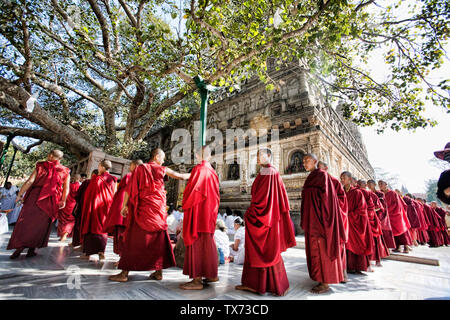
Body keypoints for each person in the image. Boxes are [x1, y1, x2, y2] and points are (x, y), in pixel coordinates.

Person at [109, 148, 190, 282]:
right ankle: (158, 272)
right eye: (163, 158)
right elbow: (181, 176)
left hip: (142, 210)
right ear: (157, 156)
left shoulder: (140, 169)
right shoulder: (161, 169)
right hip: (156, 210)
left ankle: (124, 273)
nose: (164, 161)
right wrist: (194, 173)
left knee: (133, 240)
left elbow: (130, 188)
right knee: (158, 239)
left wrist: (124, 205)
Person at [235, 148, 296, 297]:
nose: (257, 158)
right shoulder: (270, 172)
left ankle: (257, 285)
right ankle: (274, 285)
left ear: (268, 156)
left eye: (259, 155)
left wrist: (250, 215)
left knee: (263, 251)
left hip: (263, 219)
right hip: (270, 219)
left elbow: (262, 201)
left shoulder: (269, 172)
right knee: (270, 251)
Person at [7, 150, 70, 259]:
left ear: (50, 155)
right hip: (51, 200)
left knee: (26, 222)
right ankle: (31, 249)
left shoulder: (41, 166)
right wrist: (63, 200)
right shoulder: (65, 171)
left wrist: (20, 195)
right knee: (41, 225)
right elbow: (66, 188)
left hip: (35, 197)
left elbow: (30, 181)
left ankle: (20, 247)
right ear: (60, 158)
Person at [302, 156, 346, 294]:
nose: (304, 163)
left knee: (323, 251)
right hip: (311, 220)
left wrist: (325, 221)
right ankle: (319, 277)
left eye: (307, 160)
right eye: (303, 161)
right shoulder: (310, 177)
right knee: (315, 251)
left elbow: (327, 199)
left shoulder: (322, 175)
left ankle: (325, 282)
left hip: (320, 221)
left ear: (315, 162)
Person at [180, 146, 220, 290]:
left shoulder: (198, 169)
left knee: (196, 243)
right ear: (209, 156)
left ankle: (197, 281)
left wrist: (184, 205)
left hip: (198, 214)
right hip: (209, 213)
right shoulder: (213, 172)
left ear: (197, 155)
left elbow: (192, 193)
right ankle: (211, 274)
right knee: (208, 242)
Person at [103, 159, 143, 257]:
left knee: (121, 233)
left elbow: (123, 190)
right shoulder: (142, 178)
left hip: (123, 205)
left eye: (131, 165)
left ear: (134, 165)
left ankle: (122, 256)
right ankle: (123, 256)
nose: (129, 168)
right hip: (133, 207)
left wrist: (122, 206)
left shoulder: (129, 176)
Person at [80, 160, 117, 260]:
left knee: (92, 227)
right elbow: (113, 193)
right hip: (106, 207)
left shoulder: (97, 179)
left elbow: (89, 195)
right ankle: (101, 252)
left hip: (95, 207)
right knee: (102, 229)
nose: (98, 168)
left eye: (99, 166)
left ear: (102, 167)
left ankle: (88, 254)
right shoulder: (113, 179)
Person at [341, 172, 372, 274]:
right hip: (345, 222)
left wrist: (348, 215)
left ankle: (358, 266)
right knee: (346, 243)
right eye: (341, 178)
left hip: (355, 222)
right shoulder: (341, 192)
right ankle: (348, 266)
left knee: (356, 244)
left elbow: (362, 209)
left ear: (350, 179)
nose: (342, 180)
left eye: (344, 178)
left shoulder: (357, 193)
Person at [357, 180, 389, 267]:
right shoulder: (357, 193)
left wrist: (368, 212)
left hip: (372, 219)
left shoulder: (373, 194)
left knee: (375, 240)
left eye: (363, 184)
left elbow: (379, 207)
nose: (361, 185)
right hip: (362, 219)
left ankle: (377, 260)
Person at [379, 180, 412, 253]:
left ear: (386, 184)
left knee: (401, 230)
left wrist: (387, 209)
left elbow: (396, 204)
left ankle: (406, 247)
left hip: (396, 214)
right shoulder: (381, 194)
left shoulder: (392, 193)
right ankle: (397, 246)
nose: (380, 185)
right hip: (387, 215)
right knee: (392, 232)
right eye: (379, 184)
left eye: (381, 184)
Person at [70, 170, 97, 248]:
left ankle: (76, 242)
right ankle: (83, 244)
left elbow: (78, 195)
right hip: (93, 208)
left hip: (82, 207)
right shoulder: (99, 183)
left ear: (92, 174)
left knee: (79, 224)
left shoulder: (87, 182)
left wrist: (77, 206)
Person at [367, 180, 396, 249]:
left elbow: (381, 205)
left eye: (370, 184)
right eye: (368, 184)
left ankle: (385, 247)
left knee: (383, 230)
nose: (369, 186)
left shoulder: (380, 194)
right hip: (371, 214)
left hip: (381, 213)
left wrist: (373, 209)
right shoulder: (368, 193)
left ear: (374, 184)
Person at [57, 174, 82, 242]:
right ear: (79, 179)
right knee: (70, 221)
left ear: (73, 178)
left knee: (63, 220)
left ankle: (62, 235)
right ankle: (64, 235)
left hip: (66, 204)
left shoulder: (69, 185)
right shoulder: (79, 186)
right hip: (73, 206)